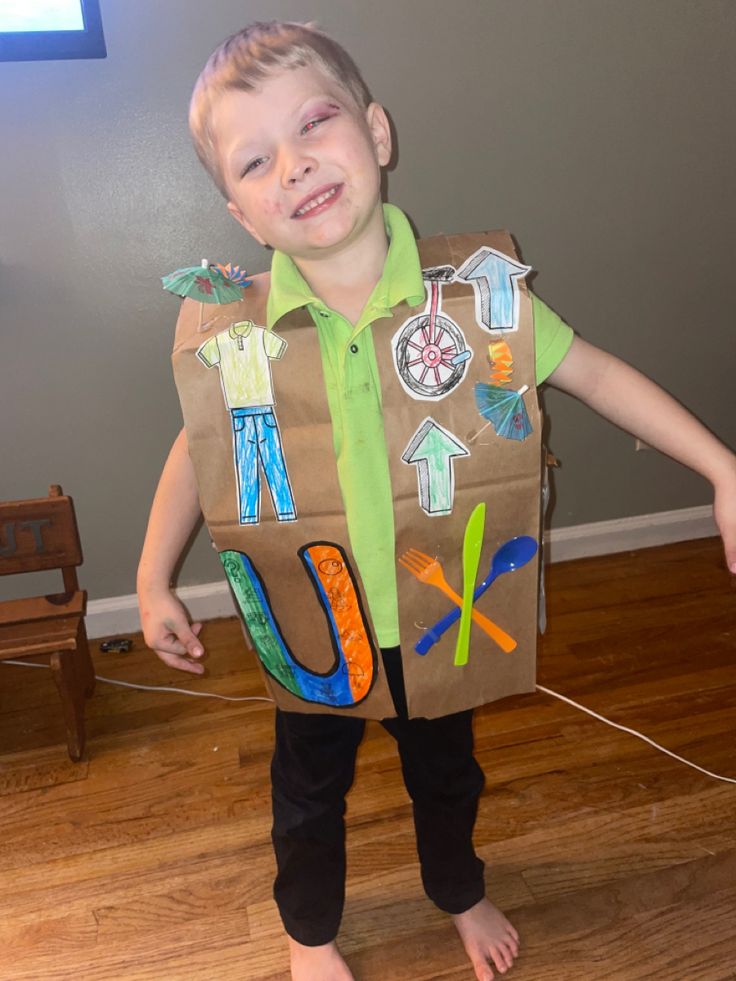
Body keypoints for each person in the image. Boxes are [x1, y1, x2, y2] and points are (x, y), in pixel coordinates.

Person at [137, 21, 736, 981]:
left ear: (377, 133)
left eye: (316, 123)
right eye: (256, 161)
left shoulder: (478, 304)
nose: (294, 167)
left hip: (439, 616)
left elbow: (596, 372)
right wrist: (149, 575)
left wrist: (723, 468)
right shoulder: (239, 331)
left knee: (448, 777)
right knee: (306, 794)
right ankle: (309, 933)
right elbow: (194, 450)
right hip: (317, 623)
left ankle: (458, 890)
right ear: (244, 214)